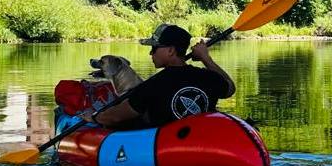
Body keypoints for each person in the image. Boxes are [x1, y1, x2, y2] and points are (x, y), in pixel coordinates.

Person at [81, 24, 235, 129]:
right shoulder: (207, 77)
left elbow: (116, 117)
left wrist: (94, 117)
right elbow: (229, 88)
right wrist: (205, 58)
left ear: (170, 51)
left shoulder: (153, 85)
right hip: (202, 142)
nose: (151, 53)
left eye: (154, 48)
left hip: (164, 150)